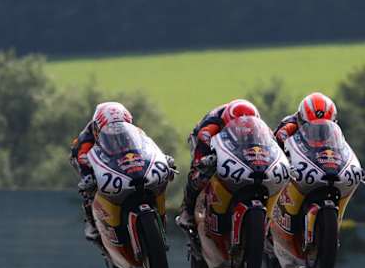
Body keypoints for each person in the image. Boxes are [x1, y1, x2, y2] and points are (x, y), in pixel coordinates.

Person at [69, 102, 176, 242]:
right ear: (97, 129)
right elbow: (81, 159)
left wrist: (162, 159)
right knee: (89, 191)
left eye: (120, 127)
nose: (116, 132)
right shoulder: (84, 141)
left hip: (128, 163)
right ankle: (92, 223)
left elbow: (147, 146)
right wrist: (88, 177)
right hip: (97, 164)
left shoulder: (134, 130)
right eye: (110, 129)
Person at [175, 99, 260, 230]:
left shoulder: (258, 124)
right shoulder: (212, 126)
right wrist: (205, 159)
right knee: (200, 173)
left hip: (240, 146)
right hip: (204, 143)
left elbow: (271, 142)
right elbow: (203, 142)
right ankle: (187, 210)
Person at [274, 92, 338, 148]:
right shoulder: (290, 127)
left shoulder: (334, 134)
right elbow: (279, 139)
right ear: (300, 121)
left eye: (323, 129)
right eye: (312, 128)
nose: (318, 133)